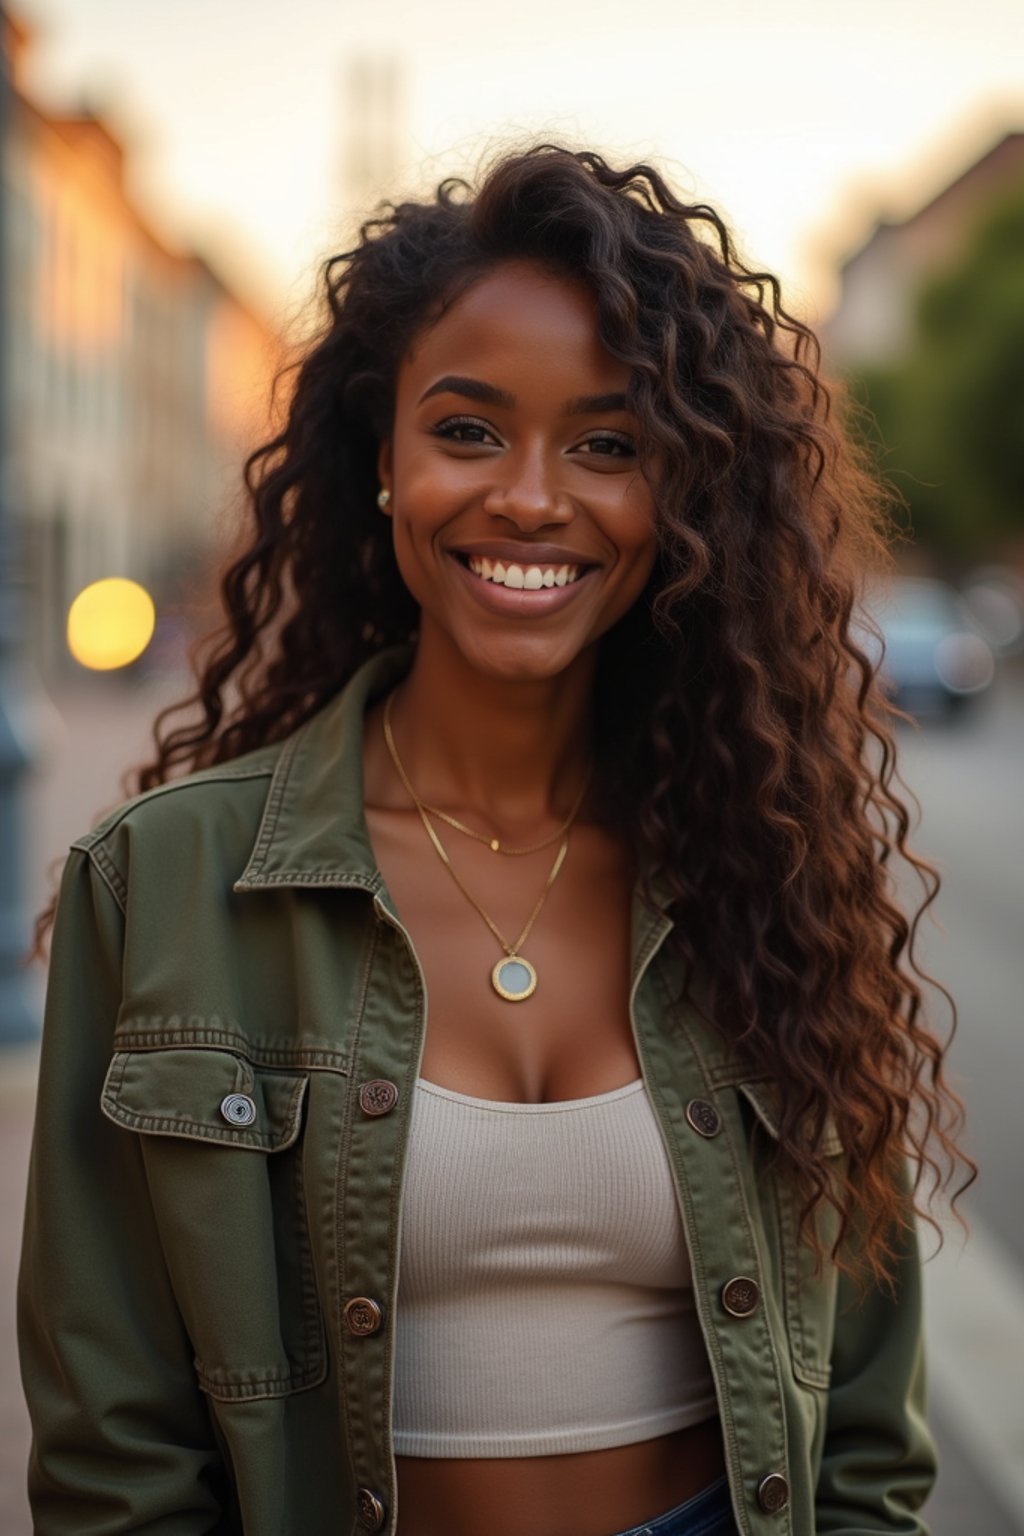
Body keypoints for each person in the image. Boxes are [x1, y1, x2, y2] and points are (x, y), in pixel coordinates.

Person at [19, 145, 971, 1536]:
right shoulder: (162, 885)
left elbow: (870, 1429)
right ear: (384, 461)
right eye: (467, 431)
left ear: (682, 497)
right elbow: (116, 1454)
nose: (531, 497)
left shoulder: (775, 876)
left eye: (607, 444)